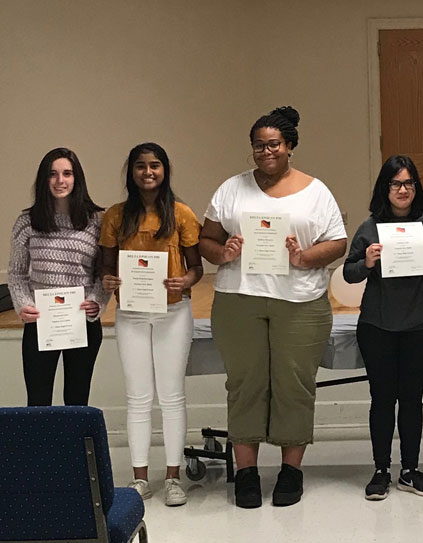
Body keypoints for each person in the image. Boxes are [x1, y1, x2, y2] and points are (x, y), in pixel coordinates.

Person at [199, 106, 347, 508]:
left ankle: (290, 472)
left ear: (290, 147)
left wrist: (305, 257)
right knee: (245, 383)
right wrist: (224, 251)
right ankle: (246, 472)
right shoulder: (232, 188)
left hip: (300, 302)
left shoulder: (316, 191)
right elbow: (205, 240)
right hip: (239, 299)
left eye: (274, 144)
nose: (266, 152)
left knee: (294, 385)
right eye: (259, 146)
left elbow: (338, 243)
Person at [343, 155, 423, 501]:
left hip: (419, 325)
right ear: (385, 188)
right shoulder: (369, 227)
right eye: (395, 183)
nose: (402, 190)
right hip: (377, 325)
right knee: (381, 399)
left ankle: (409, 469)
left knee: (411, 399)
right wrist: (367, 261)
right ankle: (380, 470)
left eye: (408, 183)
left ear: (416, 188)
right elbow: (348, 273)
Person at [100, 142, 203, 507]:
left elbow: (197, 268)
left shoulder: (181, 214)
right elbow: (106, 266)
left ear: (165, 170)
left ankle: (173, 477)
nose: (148, 172)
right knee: (138, 397)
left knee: (172, 395)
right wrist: (108, 281)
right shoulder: (115, 216)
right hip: (130, 314)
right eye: (141, 166)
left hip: (173, 313)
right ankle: (140, 477)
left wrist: (186, 282)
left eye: (155, 165)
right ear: (131, 171)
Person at [8, 147, 109, 407]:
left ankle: (73, 450)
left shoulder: (97, 221)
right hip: (41, 323)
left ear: (77, 179)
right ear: (44, 179)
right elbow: (17, 273)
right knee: (38, 402)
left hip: (82, 321)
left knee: (77, 401)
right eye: (52, 174)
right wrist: (22, 305)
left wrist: (97, 301)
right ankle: (41, 450)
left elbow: (105, 271)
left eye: (67, 173)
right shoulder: (26, 222)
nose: (60, 180)